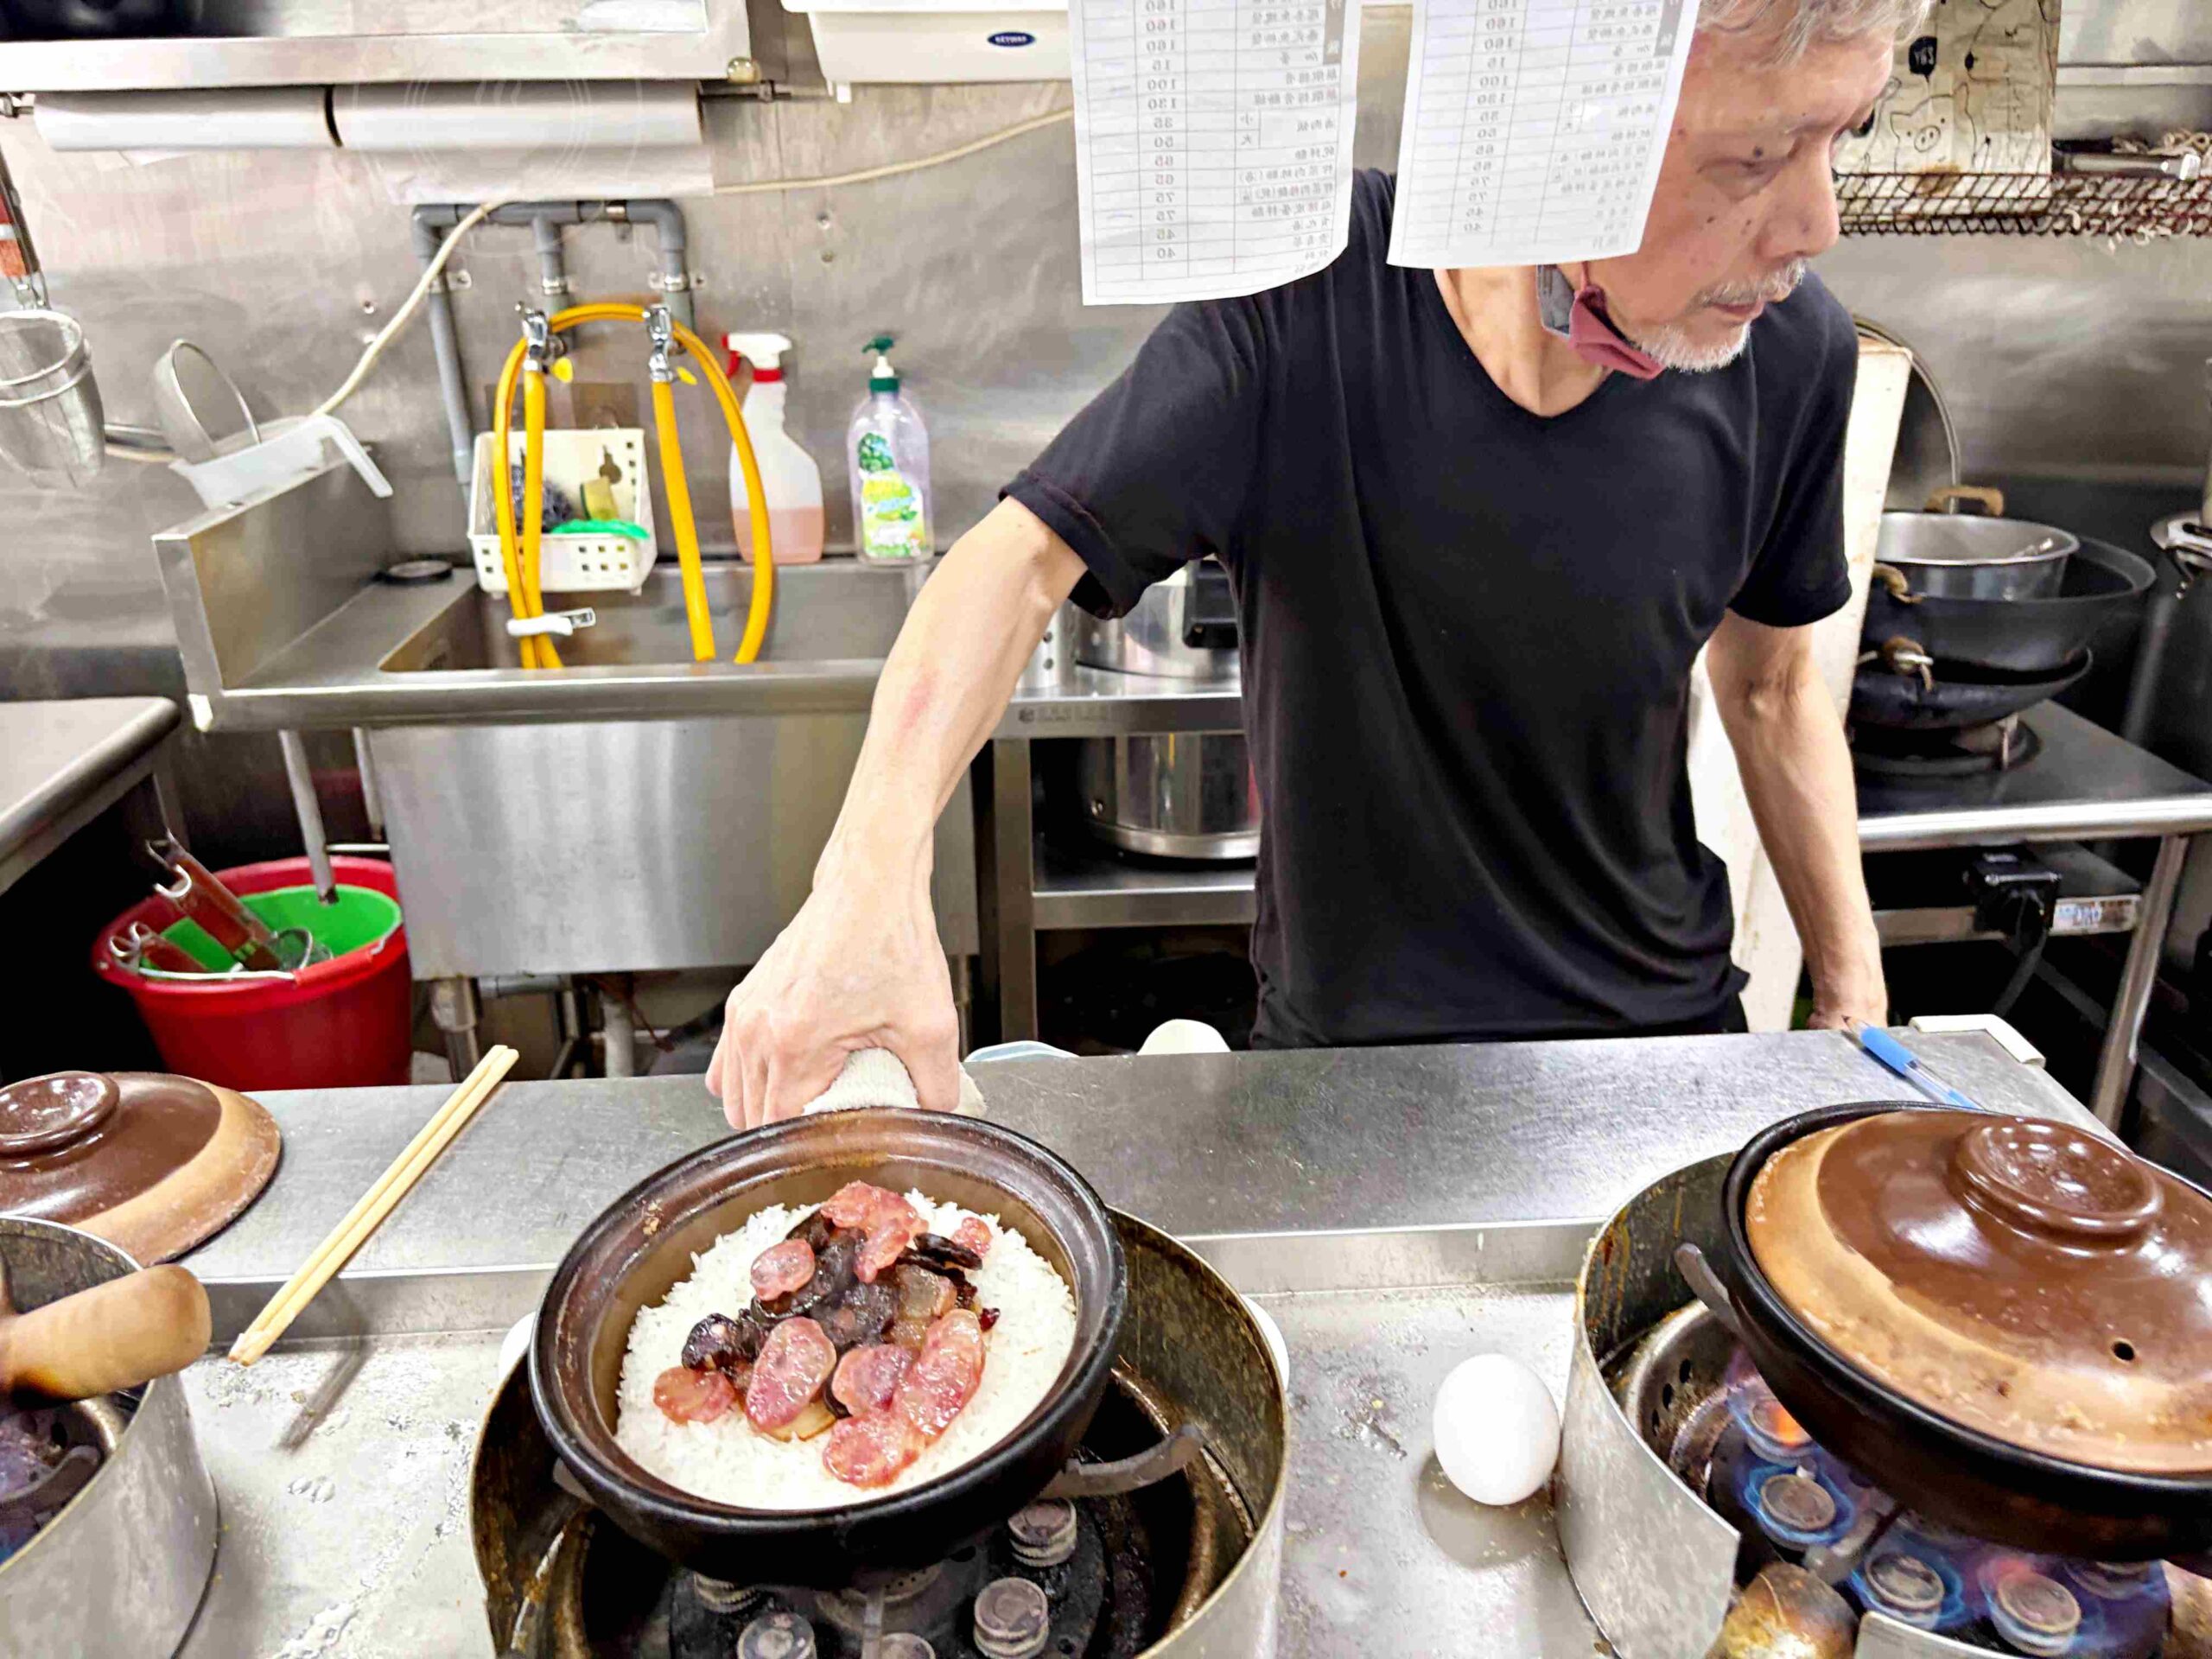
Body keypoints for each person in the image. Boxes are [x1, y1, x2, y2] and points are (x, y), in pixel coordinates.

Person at [709, 0, 1920, 1128]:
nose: (1816, 226)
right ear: (1562, 128)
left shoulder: (1793, 354)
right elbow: (1015, 563)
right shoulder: (1304, 304)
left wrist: (1852, 999)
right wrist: (863, 880)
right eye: (1755, 159)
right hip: (1349, 1071)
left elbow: (1769, 688)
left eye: (1842, 139)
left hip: (1663, 1050)